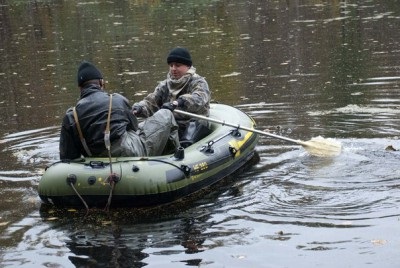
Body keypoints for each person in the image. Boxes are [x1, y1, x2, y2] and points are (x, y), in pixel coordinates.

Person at [59, 61, 180, 160]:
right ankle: (174, 157)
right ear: (101, 83)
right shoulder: (116, 100)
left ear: (80, 88)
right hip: (130, 153)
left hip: (94, 160)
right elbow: (134, 128)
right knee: (166, 114)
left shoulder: (71, 115)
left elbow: (68, 156)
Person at [131, 47, 211, 141]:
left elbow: (198, 99)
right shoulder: (165, 84)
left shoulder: (199, 82)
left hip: (191, 123)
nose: (173, 69)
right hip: (170, 124)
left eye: (177, 65)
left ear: (188, 66)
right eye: (171, 65)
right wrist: (139, 108)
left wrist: (178, 102)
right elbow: (152, 102)